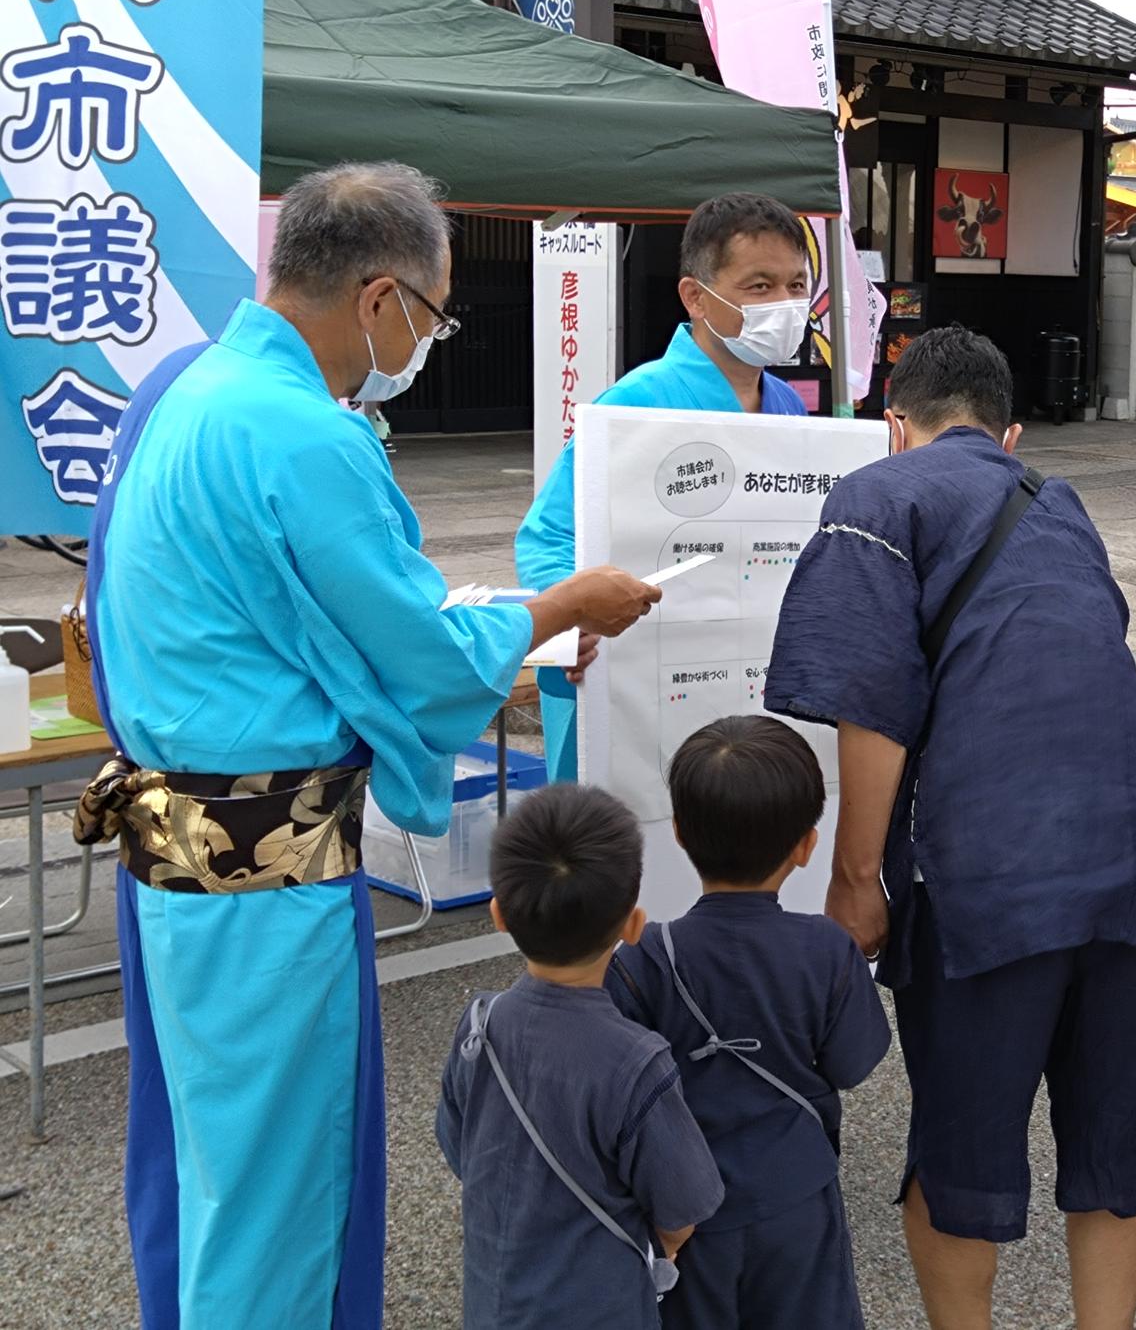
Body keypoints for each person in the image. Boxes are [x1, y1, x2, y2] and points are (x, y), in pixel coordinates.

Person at [81, 163, 663, 1330]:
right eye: (436, 318)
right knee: (276, 1197)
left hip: (182, 857)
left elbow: (315, 626)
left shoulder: (191, 391)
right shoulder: (305, 434)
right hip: (263, 880)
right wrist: (560, 609)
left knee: (212, 1167)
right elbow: (421, 654)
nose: (425, 343)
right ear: (382, 297)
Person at [763, 326, 1136, 1330]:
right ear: (1010, 432)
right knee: (1109, 1142)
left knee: (960, 1146)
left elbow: (872, 706)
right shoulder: (1059, 499)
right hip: (1131, 851)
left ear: (893, 424)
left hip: (990, 863)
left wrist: (855, 879)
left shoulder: (879, 494)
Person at [516, 193, 813, 780]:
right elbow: (547, 537)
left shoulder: (787, 408)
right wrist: (569, 623)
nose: (785, 304)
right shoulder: (636, 404)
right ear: (695, 296)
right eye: (759, 286)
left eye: (796, 284)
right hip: (640, 692)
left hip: (742, 683)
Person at [609, 716, 891, 1330]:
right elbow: (852, 1062)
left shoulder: (645, 958)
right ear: (806, 844)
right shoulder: (826, 950)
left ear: (680, 834)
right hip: (796, 1191)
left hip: (682, 1204)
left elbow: (618, 1086)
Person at [437, 783, 723, 1330]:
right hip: (600, 1304)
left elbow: (460, 1147)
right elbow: (683, 1207)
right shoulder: (636, 1060)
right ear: (632, 926)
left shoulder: (479, 1026)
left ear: (499, 914)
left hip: (495, 1301)